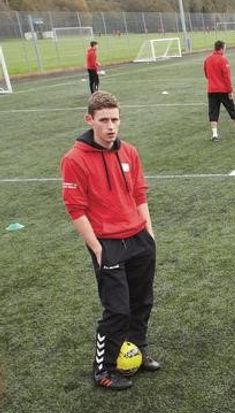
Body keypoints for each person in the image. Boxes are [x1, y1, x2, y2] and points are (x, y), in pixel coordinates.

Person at [60, 91, 161, 390]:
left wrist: (149, 233)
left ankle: (135, 352)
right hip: (108, 243)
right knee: (117, 310)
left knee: (142, 301)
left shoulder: (129, 151)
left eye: (115, 119)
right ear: (89, 120)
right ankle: (103, 370)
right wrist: (97, 247)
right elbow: (75, 209)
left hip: (139, 238)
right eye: (103, 120)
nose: (111, 126)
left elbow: (139, 194)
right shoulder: (74, 159)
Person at [203, 40, 235, 142]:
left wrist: (213, 81)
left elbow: (206, 74)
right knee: (231, 109)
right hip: (223, 90)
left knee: (213, 112)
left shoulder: (207, 59)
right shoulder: (223, 60)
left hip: (211, 90)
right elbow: (226, 77)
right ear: (222, 48)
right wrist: (230, 91)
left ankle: (215, 135)